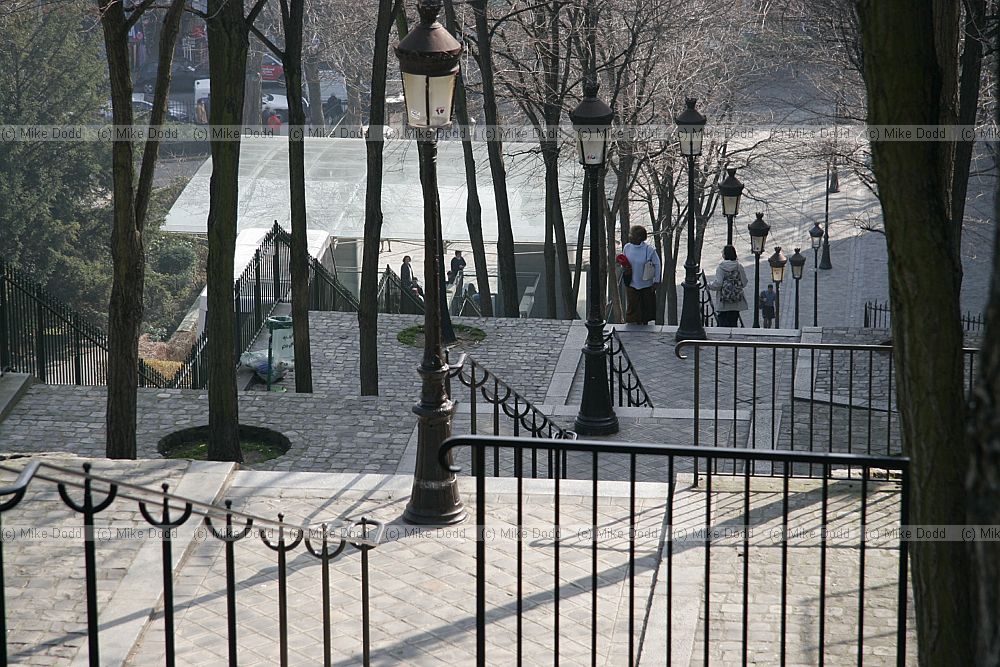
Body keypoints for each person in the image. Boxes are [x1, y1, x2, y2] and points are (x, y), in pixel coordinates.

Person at [622, 225, 660, 325]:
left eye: (631, 234)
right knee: (632, 307)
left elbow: (657, 264)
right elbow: (625, 261)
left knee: (645, 307)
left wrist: (656, 281)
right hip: (631, 283)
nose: (629, 236)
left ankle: (644, 325)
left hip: (646, 284)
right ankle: (632, 326)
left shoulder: (649, 250)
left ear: (638, 237)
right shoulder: (627, 247)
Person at [708, 245, 749, 327]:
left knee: (723, 325)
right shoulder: (739, 266)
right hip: (736, 302)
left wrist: (709, 285)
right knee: (733, 324)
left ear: (725, 255)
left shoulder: (721, 268)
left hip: (723, 302)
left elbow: (718, 284)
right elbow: (744, 282)